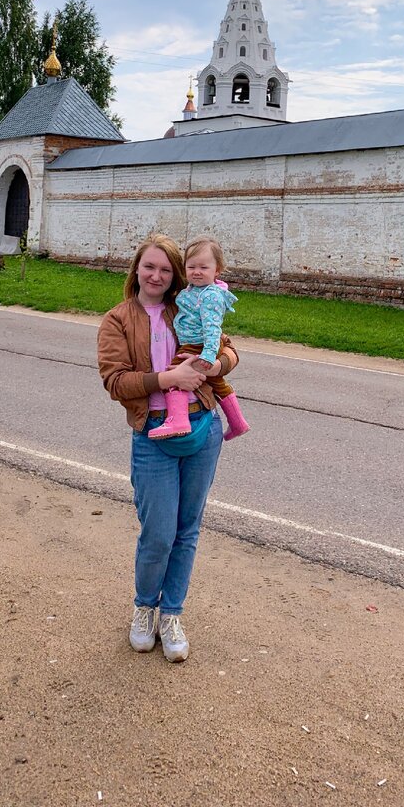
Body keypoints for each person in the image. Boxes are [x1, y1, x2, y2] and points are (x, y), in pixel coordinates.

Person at [96, 234, 239, 662]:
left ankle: (172, 612)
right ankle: (145, 608)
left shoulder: (191, 303)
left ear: (174, 274)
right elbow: (115, 381)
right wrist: (166, 380)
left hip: (202, 428)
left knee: (186, 531)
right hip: (153, 434)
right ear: (136, 270)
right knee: (157, 534)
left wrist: (217, 365)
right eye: (149, 267)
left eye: (164, 269)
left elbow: (229, 349)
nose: (156, 276)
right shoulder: (118, 319)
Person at [147, 236, 250, 443]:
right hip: (198, 343)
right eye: (191, 266)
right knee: (216, 381)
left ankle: (178, 420)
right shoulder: (195, 291)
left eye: (203, 267)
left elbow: (213, 328)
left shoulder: (209, 296)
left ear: (217, 270)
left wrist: (209, 355)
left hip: (200, 344)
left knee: (175, 373)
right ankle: (238, 422)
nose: (196, 271)